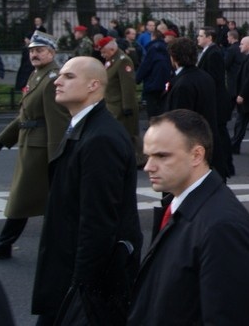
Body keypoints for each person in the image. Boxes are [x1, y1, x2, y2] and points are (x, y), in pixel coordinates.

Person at [32, 57, 142, 324]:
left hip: (82, 287)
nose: (57, 81)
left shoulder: (101, 138)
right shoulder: (85, 127)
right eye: (60, 75)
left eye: (68, 77)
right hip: (71, 277)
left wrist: (80, 289)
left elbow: (98, 223)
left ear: (94, 85)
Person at [128, 110, 249, 325]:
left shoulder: (222, 226)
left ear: (196, 155)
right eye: (147, 156)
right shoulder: (182, 205)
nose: (148, 167)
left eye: (162, 156)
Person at [0, 31, 71, 259]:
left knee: (24, 198)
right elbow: (24, 114)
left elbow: (57, 121)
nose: (34, 55)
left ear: (52, 52)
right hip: (30, 144)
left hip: (40, 150)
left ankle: (4, 243)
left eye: (40, 51)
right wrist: (4, 138)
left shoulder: (51, 79)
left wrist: (56, 155)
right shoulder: (37, 75)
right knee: (47, 200)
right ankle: (58, 244)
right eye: (32, 51)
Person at [163, 38, 227, 180]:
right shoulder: (204, 77)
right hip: (208, 141)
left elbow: (180, 121)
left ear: (174, 57)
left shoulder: (183, 84)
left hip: (191, 147)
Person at [196, 27, 234, 177]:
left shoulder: (214, 53)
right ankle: (225, 164)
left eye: (200, 36)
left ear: (209, 38)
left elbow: (214, 79)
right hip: (215, 100)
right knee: (219, 133)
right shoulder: (208, 52)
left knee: (220, 134)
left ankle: (226, 165)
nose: (198, 38)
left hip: (217, 101)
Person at [100, 36, 143, 167]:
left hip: (121, 105)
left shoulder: (123, 61)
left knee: (129, 134)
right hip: (112, 104)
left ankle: (138, 159)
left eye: (104, 52)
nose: (102, 55)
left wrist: (127, 106)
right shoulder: (112, 60)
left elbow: (127, 85)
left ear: (112, 49)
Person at [135, 29, 171, 119]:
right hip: (165, 84)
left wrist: (137, 79)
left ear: (153, 37)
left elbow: (145, 66)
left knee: (152, 110)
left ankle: (154, 127)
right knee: (162, 108)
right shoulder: (167, 49)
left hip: (152, 84)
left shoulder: (152, 49)